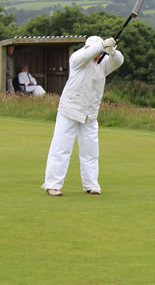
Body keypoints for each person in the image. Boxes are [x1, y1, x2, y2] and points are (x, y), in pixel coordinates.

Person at [42, 36, 123, 196]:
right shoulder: (77, 59)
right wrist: (101, 45)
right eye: (97, 51)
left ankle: (91, 185)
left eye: (101, 52)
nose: (98, 55)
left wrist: (112, 51)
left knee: (91, 152)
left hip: (90, 114)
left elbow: (119, 61)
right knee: (61, 149)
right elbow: (87, 55)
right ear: (88, 48)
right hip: (69, 110)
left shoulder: (103, 64)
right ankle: (52, 185)